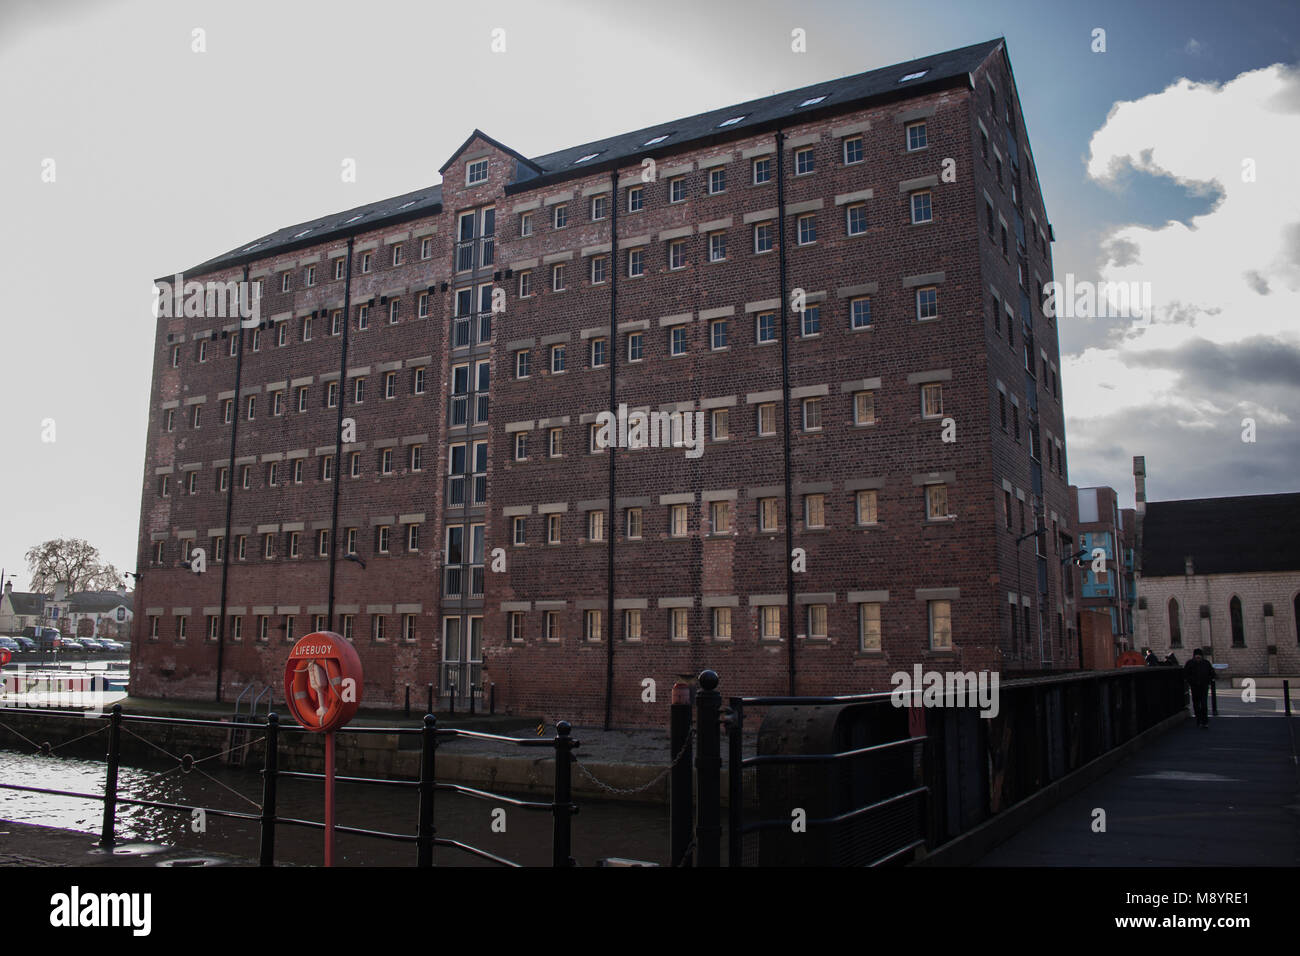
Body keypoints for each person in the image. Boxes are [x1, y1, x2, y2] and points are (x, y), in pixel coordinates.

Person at [1183, 649, 1215, 728]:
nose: (1198, 657)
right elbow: (1185, 674)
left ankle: (1204, 721)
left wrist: (1208, 680)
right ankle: (1199, 720)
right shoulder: (1190, 663)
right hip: (1194, 687)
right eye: (1196, 655)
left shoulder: (1206, 663)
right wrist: (1191, 681)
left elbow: (1212, 673)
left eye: (1199, 655)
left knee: (1204, 704)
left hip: (1203, 686)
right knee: (1196, 704)